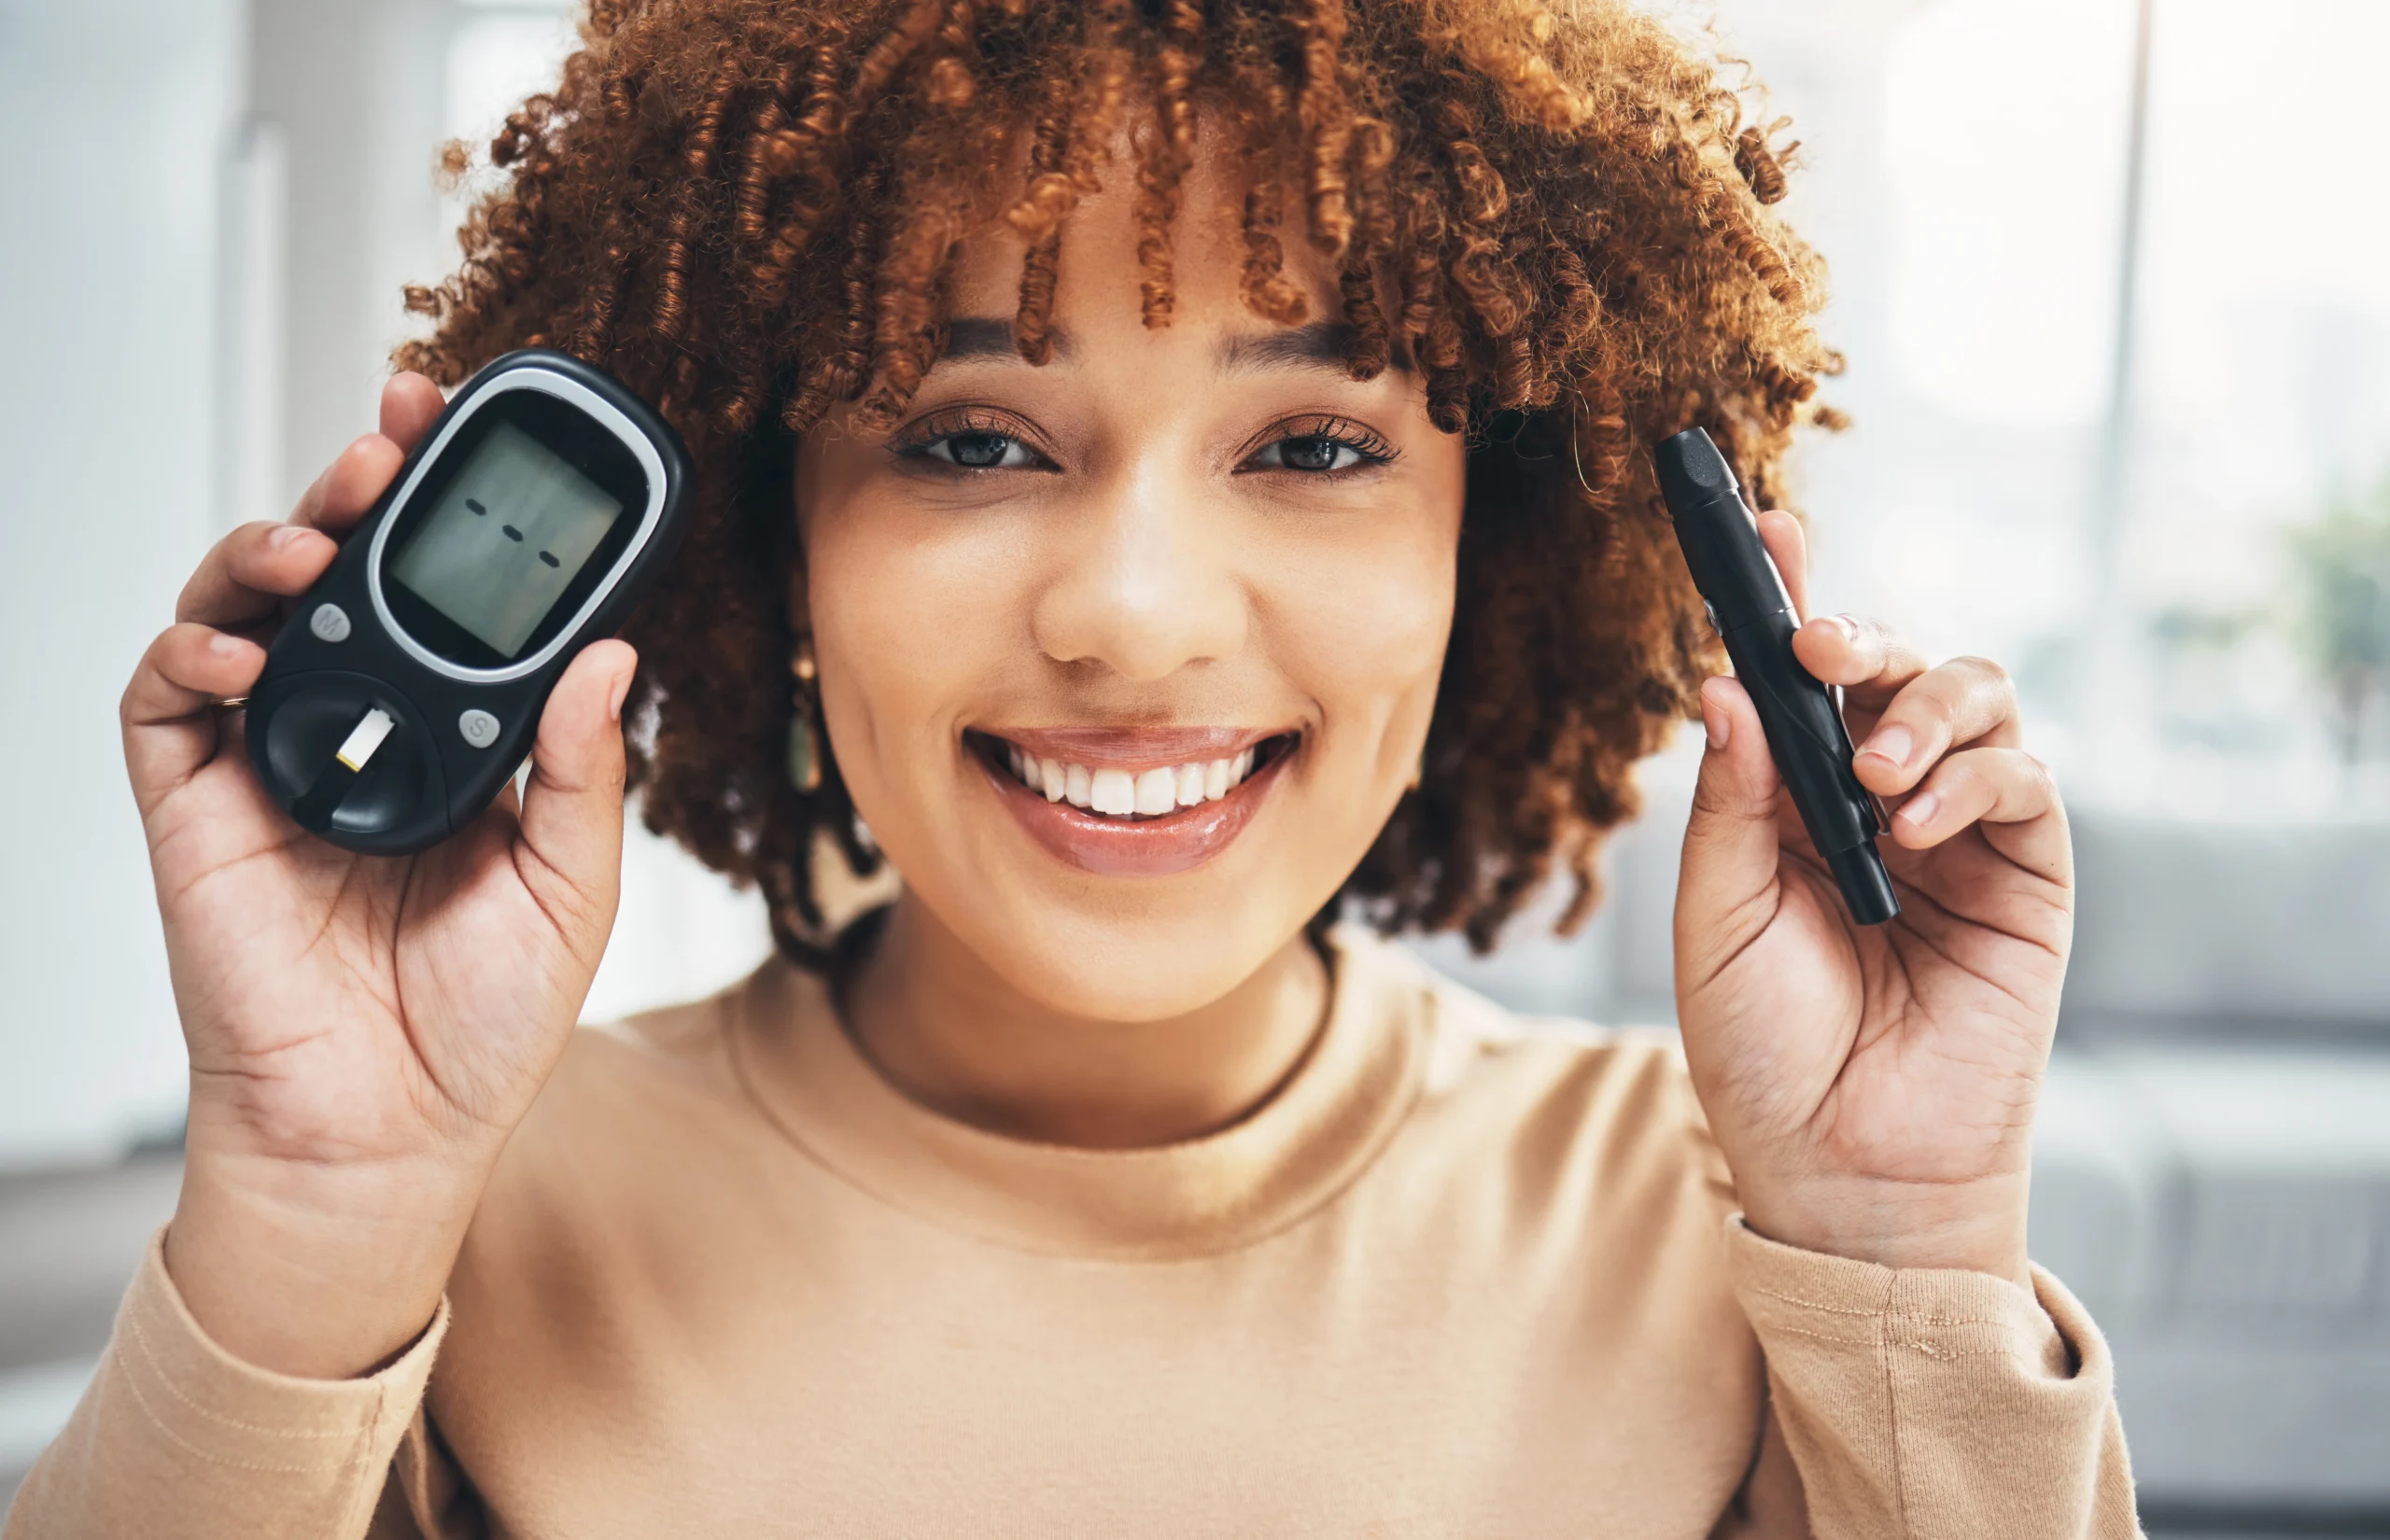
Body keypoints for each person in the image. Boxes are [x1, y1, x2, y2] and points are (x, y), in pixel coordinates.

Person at [9, 1, 2138, 1534]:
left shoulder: (1742, 1236)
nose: (1134, 615)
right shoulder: (449, 1219)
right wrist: (309, 1214)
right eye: (967, 441)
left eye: (1311, 447)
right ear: (768, 542)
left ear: (1483, 553)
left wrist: (1903, 1251)